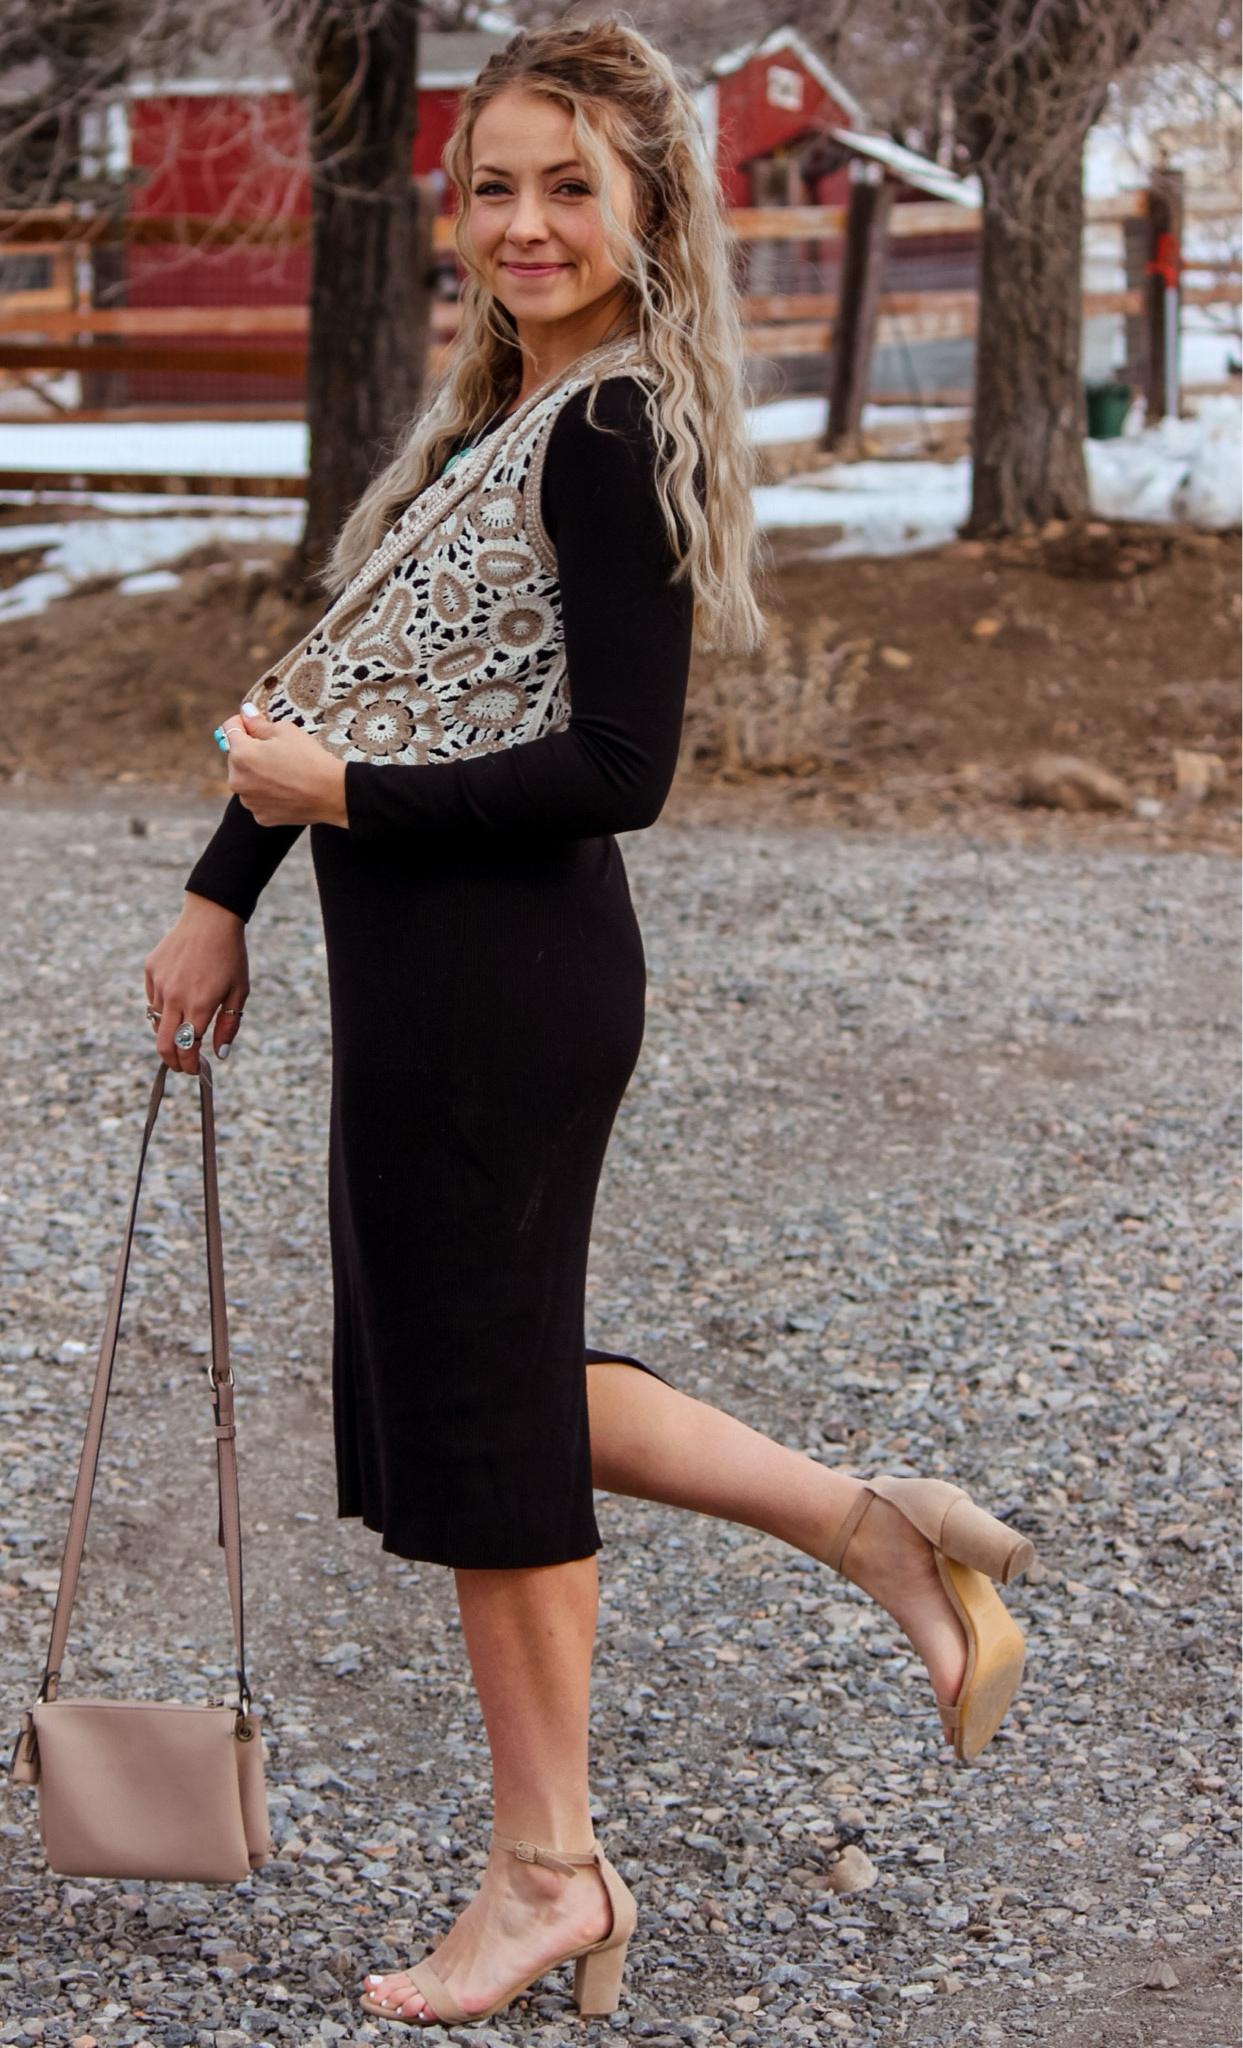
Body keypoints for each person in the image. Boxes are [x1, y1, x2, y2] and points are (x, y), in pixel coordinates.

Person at [143, 19, 1035, 2028]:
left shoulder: (612, 431)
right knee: (487, 1380)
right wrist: (224, 883)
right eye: (497, 186)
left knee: (478, 1433)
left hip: (504, 990)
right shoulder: (487, 424)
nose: (525, 224)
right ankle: (870, 1525)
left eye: (571, 188)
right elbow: (343, 694)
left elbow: (622, 765)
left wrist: (335, 811)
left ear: (649, 215)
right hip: (445, 985)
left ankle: (546, 1868)